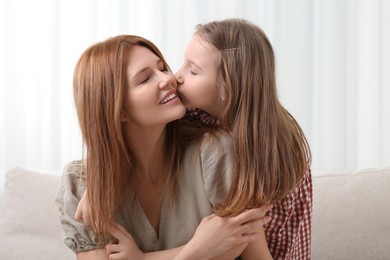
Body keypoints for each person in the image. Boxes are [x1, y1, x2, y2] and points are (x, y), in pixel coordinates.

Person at [55, 34, 272, 260]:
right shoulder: (80, 186)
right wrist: (196, 251)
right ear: (117, 109)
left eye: (161, 68)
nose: (169, 78)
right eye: (145, 79)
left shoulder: (215, 151)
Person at [175, 18, 313, 259]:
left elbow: (241, 244)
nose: (177, 77)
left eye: (193, 70)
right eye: (183, 64)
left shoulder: (275, 151)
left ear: (227, 87)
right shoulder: (192, 114)